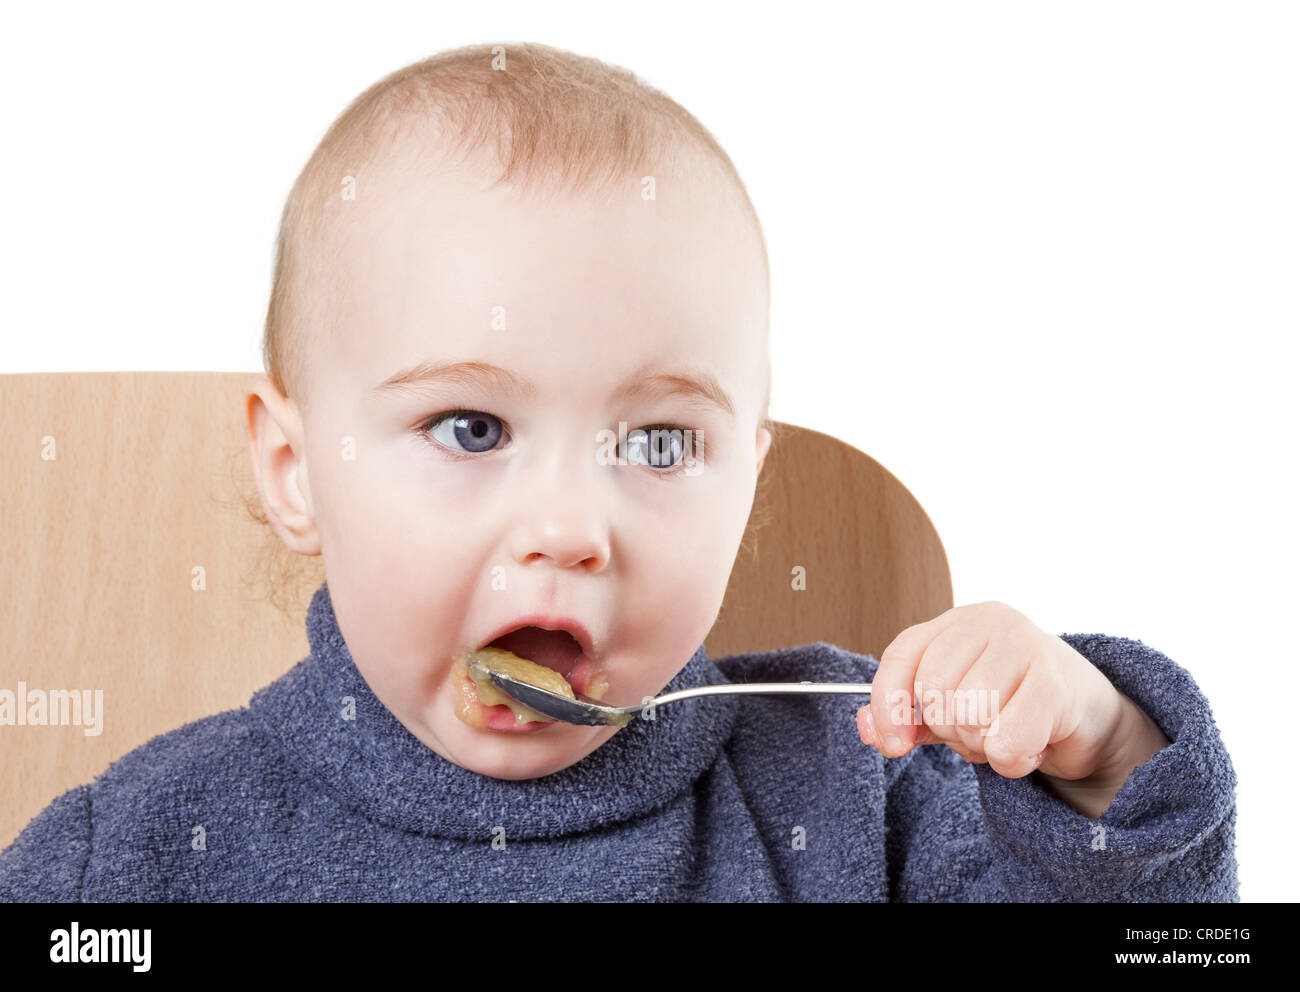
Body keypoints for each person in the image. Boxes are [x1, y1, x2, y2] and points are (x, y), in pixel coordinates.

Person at [0, 41, 1237, 901]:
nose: (568, 526)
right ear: (295, 470)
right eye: (471, 428)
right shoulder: (138, 854)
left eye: (657, 443)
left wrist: (1104, 760)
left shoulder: (869, 786)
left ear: (746, 481)